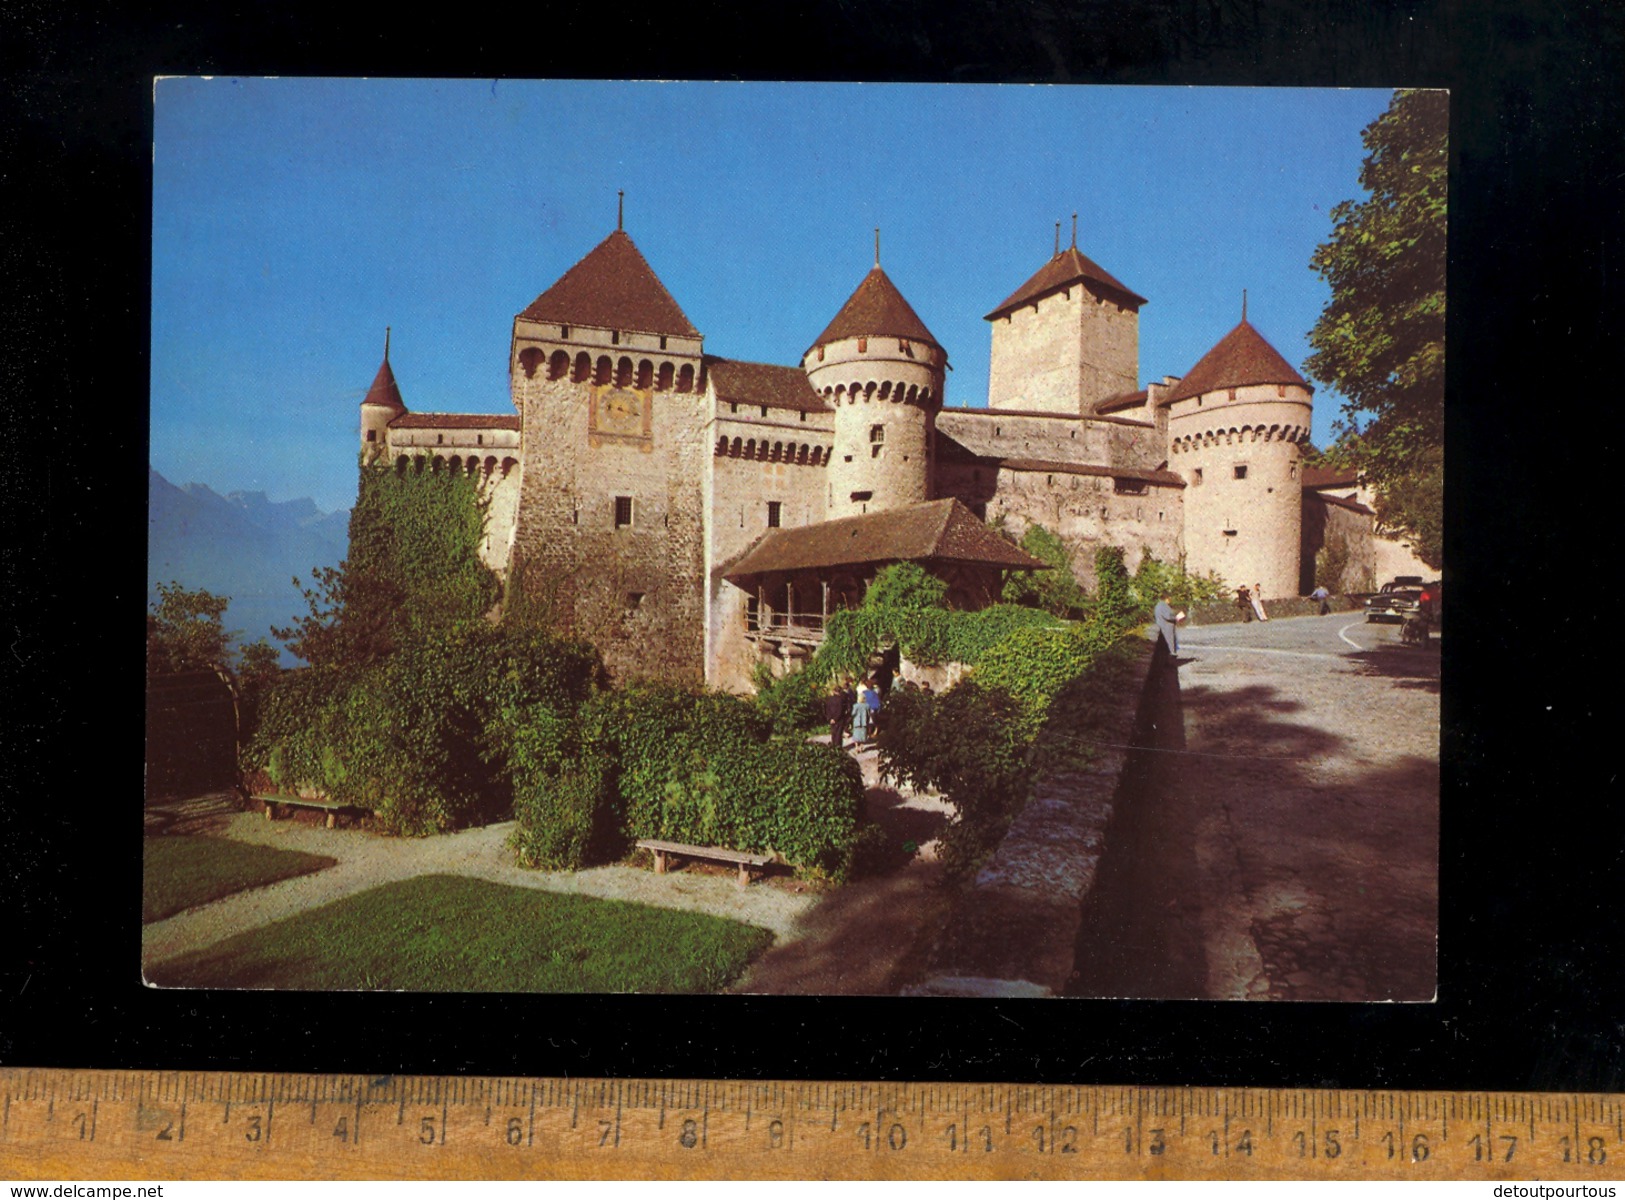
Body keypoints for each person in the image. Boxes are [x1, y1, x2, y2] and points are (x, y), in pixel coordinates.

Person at [1153, 592, 1182, 658]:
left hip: (1164, 627)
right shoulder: (1163, 606)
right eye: (1170, 599)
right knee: (1169, 645)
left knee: (1166, 646)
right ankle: (1170, 660)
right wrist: (1177, 618)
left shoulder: (1160, 605)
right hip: (1166, 627)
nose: (1170, 600)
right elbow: (1168, 616)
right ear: (1166, 599)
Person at [824, 681, 848, 748]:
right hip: (839, 719)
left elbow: (827, 710)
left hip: (831, 719)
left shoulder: (829, 699)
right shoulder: (841, 700)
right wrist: (835, 718)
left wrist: (830, 718)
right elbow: (840, 711)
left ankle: (833, 745)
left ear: (834, 691)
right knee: (838, 734)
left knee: (833, 733)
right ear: (839, 691)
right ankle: (838, 746)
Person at [850, 681, 870, 746]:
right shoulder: (867, 705)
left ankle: (856, 747)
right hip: (864, 722)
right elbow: (868, 714)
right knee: (863, 735)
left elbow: (853, 713)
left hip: (857, 722)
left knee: (856, 735)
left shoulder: (855, 706)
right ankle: (861, 747)